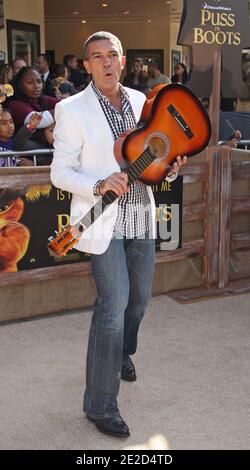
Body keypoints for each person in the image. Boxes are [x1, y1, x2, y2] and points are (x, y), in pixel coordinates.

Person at [50, 31, 187, 438]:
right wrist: (98, 183)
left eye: (113, 55)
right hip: (100, 220)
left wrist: (170, 167)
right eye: (97, 57)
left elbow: (155, 157)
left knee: (139, 302)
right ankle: (99, 404)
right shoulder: (70, 109)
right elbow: (59, 172)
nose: (106, 62)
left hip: (140, 217)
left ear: (124, 61)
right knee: (113, 305)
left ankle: (122, 354)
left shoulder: (144, 103)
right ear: (87, 65)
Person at [7, 66, 58, 132]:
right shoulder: (15, 104)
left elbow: (64, 103)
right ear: (20, 85)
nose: (36, 86)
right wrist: (62, 109)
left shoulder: (42, 99)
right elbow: (39, 122)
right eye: (30, 82)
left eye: (39, 81)